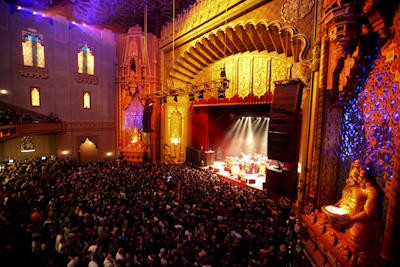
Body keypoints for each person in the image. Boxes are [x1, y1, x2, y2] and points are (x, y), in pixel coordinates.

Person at [332, 160, 379, 247]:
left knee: (356, 234)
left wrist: (350, 218)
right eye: (353, 167)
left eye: (358, 168)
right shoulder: (349, 185)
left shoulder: (370, 191)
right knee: (326, 218)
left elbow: (367, 213)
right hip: (343, 214)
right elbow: (343, 200)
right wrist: (332, 207)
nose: (354, 171)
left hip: (356, 219)